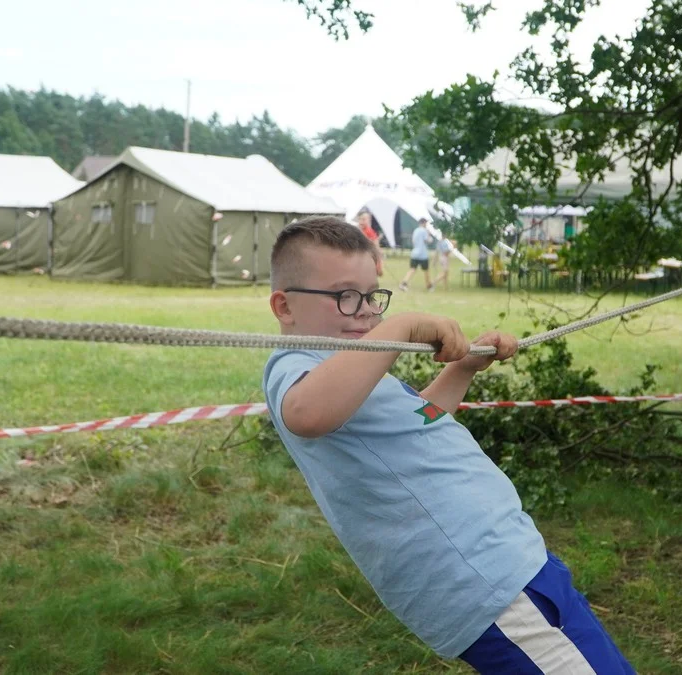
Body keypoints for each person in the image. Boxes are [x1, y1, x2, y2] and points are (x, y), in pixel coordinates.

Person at [263, 216, 635, 674]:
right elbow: (307, 413)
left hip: (514, 561)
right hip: (483, 584)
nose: (364, 311)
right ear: (285, 307)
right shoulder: (295, 364)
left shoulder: (353, 364)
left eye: (373, 297)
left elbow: (423, 420)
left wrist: (463, 369)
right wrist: (402, 326)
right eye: (344, 296)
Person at [399, 218, 432, 292]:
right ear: (424, 223)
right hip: (423, 254)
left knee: (412, 269)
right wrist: (429, 234)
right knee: (426, 270)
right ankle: (428, 286)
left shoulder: (415, 230)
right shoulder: (424, 231)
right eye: (426, 223)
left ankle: (404, 283)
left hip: (415, 253)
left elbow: (413, 241)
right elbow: (428, 240)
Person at [356, 210, 385, 277]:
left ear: (368, 220)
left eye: (364, 219)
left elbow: (376, 244)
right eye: (360, 219)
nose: (361, 222)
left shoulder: (369, 231)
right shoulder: (357, 230)